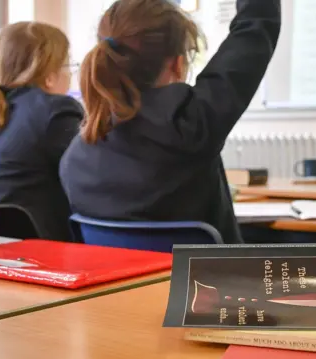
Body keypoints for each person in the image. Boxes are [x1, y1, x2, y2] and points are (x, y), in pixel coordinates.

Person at [59, 0, 281, 243]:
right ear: (177, 64)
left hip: (121, 282)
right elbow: (255, 30)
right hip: (213, 281)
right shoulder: (191, 123)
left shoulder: (75, 158)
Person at [0, 22, 83, 242]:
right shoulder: (57, 109)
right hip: (43, 252)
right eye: (68, 65)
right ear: (50, 76)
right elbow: (85, 182)